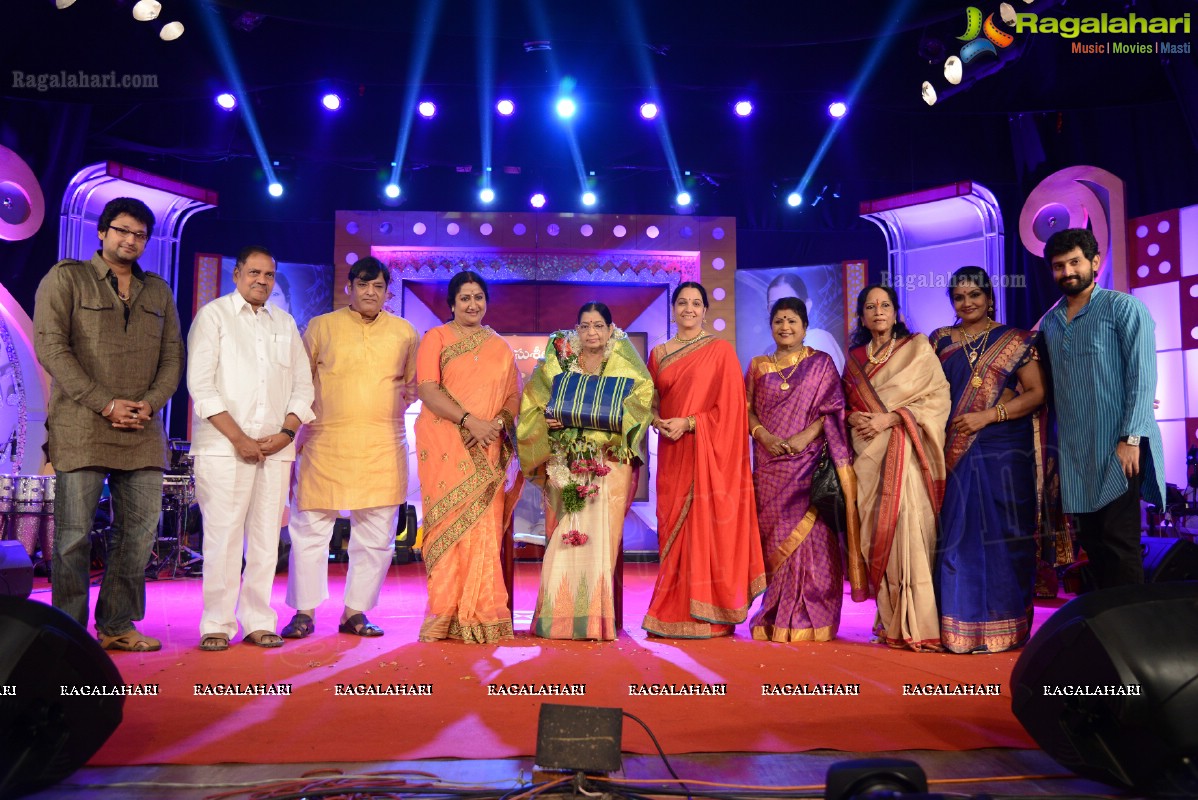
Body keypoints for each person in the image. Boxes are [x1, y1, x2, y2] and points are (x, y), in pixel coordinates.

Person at [33, 196, 183, 651]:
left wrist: (150, 404)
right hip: (82, 426)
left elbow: (173, 356)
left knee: (138, 533)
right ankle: (70, 635)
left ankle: (117, 624)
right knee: (74, 537)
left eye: (140, 234)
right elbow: (52, 348)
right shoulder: (68, 278)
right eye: (122, 230)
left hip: (141, 430)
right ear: (102, 232)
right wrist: (105, 404)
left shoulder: (156, 290)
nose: (130, 240)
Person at [281, 256, 418, 639]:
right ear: (349, 288)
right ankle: (304, 613)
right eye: (363, 285)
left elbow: (411, 386)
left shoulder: (405, 332)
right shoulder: (321, 327)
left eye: (378, 287)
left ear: (387, 291)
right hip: (325, 441)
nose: (370, 293)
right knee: (310, 529)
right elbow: (300, 383)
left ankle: (355, 612)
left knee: (376, 534)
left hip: (382, 443)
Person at [188, 246, 314, 651]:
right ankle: (217, 624)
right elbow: (201, 387)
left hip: (276, 449)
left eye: (269, 275)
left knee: (264, 540)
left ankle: (259, 621)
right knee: (223, 538)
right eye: (254, 273)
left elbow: (303, 386)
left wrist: (286, 433)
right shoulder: (214, 317)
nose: (262, 280)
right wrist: (240, 439)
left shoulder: (285, 323)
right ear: (237, 274)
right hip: (224, 449)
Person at [517, 301, 654, 640]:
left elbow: (641, 402)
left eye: (598, 326)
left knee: (599, 543)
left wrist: (612, 431)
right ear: (576, 330)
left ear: (610, 330)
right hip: (565, 458)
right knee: (562, 537)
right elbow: (534, 402)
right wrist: (546, 419)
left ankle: (594, 621)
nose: (591, 332)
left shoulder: (624, 362)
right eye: (584, 326)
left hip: (608, 461)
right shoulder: (560, 358)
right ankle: (556, 619)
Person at [1039, 228, 1164, 589]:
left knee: (1119, 544)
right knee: (1092, 546)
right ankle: (1104, 632)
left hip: (1119, 446)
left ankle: (1132, 634)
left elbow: (1143, 376)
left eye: (1075, 262)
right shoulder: (1050, 322)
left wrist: (1131, 437)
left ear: (1094, 262)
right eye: (1059, 266)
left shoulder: (1123, 307)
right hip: (1076, 453)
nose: (1067, 272)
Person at [930, 267, 1046, 653]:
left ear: (989, 297)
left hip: (1002, 449)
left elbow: (1035, 393)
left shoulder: (1015, 340)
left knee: (1001, 533)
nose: (968, 303)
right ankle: (957, 629)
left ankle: (1004, 627)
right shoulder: (940, 341)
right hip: (953, 449)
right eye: (959, 298)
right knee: (957, 536)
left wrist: (988, 415)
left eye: (975, 295)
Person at [643, 281, 765, 638]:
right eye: (682, 303)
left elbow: (731, 411)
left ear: (706, 310)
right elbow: (648, 402)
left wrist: (690, 423)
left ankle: (707, 613)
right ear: (673, 308)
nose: (689, 309)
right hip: (672, 452)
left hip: (707, 453)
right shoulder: (659, 353)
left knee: (703, 526)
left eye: (696, 303)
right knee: (672, 526)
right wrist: (656, 421)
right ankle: (671, 609)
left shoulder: (721, 351)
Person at [746, 297, 864, 642]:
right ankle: (774, 613)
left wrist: (802, 438)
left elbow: (833, 411)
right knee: (776, 540)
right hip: (770, 467)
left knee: (814, 541)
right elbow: (746, 409)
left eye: (792, 321)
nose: (785, 327)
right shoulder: (756, 366)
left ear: (805, 326)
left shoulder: (821, 363)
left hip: (809, 465)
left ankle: (815, 616)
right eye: (779, 321)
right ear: (771, 326)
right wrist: (764, 435)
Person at [415, 271, 522, 643]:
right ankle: (443, 613)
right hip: (444, 446)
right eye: (465, 298)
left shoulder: (500, 346)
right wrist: (469, 421)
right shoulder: (436, 338)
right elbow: (427, 390)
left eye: (478, 297)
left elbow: (513, 396)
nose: (472, 304)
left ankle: (481, 613)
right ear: (452, 303)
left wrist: (495, 424)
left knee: (483, 533)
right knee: (447, 530)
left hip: (487, 446)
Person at [843, 284, 949, 652]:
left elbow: (937, 398)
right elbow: (842, 406)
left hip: (905, 452)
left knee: (906, 530)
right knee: (878, 534)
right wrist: (853, 416)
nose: (878, 312)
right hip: (869, 456)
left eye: (885, 305)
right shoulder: (855, 358)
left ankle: (918, 624)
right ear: (861, 316)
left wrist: (892, 418)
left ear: (896, 312)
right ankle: (890, 621)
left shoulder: (917, 349)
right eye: (870, 307)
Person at [766, 273, 845, 373]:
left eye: (791, 304)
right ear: (768, 309)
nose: (782, 311)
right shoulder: (768, 353)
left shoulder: (819, 340)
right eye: (774, 305)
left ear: (807, 306)